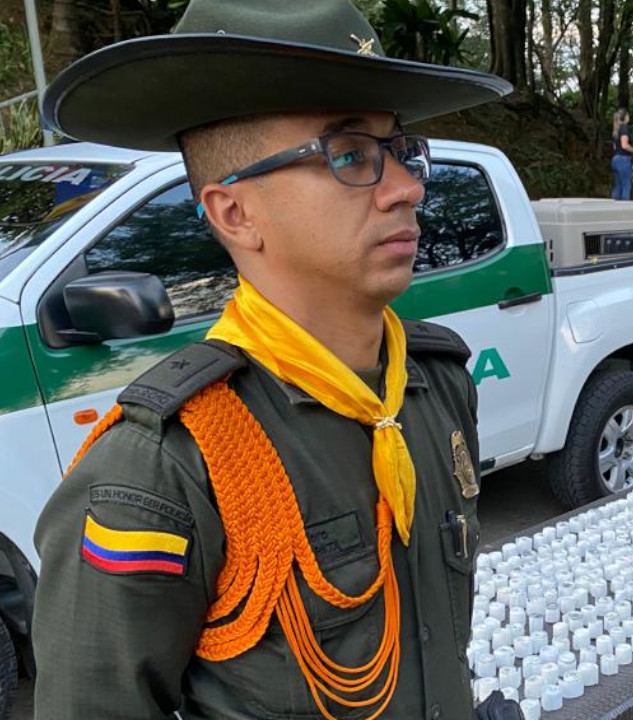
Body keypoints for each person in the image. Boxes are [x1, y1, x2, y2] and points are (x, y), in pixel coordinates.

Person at [29, 1, 521, 718]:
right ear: (235, 214)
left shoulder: (432, 385)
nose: (408, 188)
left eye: (400, 151)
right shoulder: (164, 469)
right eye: (350, 155)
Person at [611, 108, 633, 200]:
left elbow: (615, 147)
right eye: (628, 115)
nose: (629, 117)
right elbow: (624, 145)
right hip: (624, 160)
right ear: (625, 117)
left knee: (618, 187)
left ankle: (612, 210)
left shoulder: (616, 130)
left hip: (616, 160)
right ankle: (625, 211)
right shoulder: (624, 128)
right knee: (626, 187)